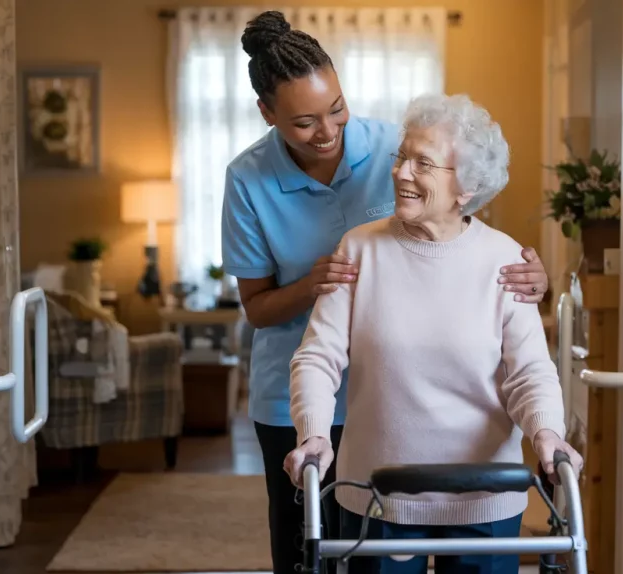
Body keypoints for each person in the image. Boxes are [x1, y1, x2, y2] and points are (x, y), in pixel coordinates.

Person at [220, 11, 551, 574]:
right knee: (309, 552)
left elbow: (521, 359)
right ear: (268, 114)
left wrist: (530, 281)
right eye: (303, 122)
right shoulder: (254, 182)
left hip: (424, 417)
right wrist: (316, 285)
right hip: (314, 406)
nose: (328, 132)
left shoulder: (391, 148)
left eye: (336, 109)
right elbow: (270, 317)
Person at [283, 93, 583, 574]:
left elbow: (528, 371)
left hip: (485, 493)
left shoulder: (504, 261)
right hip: (380, 492)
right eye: (402, 157)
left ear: (466, 186)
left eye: (423, 163)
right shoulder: (359, 250)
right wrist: (314, 431)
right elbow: (318, 356)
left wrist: (547, 431)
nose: (402, 173)